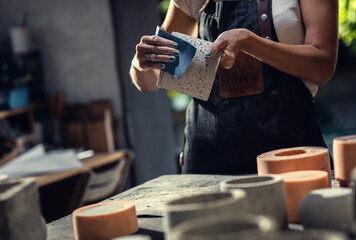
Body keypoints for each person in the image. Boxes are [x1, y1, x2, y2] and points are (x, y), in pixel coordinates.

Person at [129, 0, 338, 175]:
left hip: (291, 158)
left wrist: (250, 42)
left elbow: (322, 67)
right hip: (207, 164)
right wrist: (142, 64)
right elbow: (148, 83)